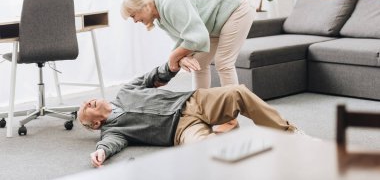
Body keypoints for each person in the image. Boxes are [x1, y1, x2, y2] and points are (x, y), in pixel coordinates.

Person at [78, 61, 300, 168]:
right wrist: (101, 153)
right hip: (181, 130)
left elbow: (153, 75)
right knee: (210, 153)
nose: (88, 102)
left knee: (238, 92)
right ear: (96, 123)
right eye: (86, 108)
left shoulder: (126, 91)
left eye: (86, 101)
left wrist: (174, 64)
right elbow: (110, 143)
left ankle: (289, 134)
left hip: (192, 101)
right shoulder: (112, 130)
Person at [120, 0, 256, 132]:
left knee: (223, 63)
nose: (135, 20)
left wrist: (173, 57)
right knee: (198, 64)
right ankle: (201, 113)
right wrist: (181, 57)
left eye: (134, 15)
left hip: (236, 5)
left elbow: (198, 39)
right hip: (213, 22)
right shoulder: (160, 20)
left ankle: (230, 119)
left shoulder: (171, 2)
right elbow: (184, 43)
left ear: (144, 5)